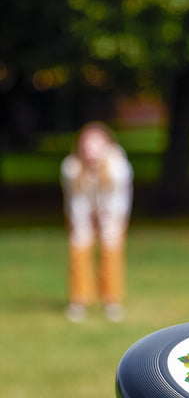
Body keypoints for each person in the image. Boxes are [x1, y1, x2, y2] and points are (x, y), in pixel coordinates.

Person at [60, 121, 133, 322]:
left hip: (112, 213)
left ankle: (112, 300)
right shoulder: (71, 167)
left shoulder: (118, 167)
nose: (91, 151)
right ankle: (79, 300)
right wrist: (84, 222)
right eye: (87, 145)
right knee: (79, 248)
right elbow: (76, 200)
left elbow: (118, 200)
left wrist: (106, 220)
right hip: (82, 213)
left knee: (111, 251)